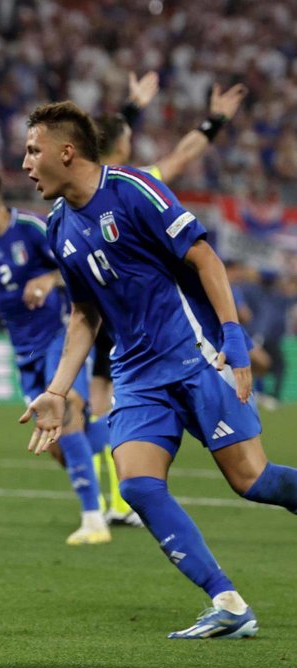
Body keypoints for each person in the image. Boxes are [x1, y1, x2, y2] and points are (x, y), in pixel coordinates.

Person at [20, 100, 297, 639]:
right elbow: (84, 314)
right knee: (140, 487)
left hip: (195, 356)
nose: (26, 163)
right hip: (137, 374)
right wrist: (58, 390)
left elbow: (205, 259)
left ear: (66, 151)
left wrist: (234, 340)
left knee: (255, 481)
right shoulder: (58, 228)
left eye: (34, 150)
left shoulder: (133, 190)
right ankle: (228, 602)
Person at [89, 75, 247, 524]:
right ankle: (128, 499)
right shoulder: (136, 184)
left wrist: (132, 105)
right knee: (135, 400)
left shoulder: (75, 196)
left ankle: (116, 501)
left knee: (102, 402)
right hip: (147, 321)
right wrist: (215, 119)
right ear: (123, 143)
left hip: (101, 312)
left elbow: (108, 131)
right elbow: (184, 154)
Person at [0, 166, 107, 545]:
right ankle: (130, 429)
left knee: (66, 409)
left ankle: (94, 518)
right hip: (25, 355)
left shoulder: (33, 230)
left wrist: (49, 279)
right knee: (61, 443)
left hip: (60, 336)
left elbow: (78, 269)